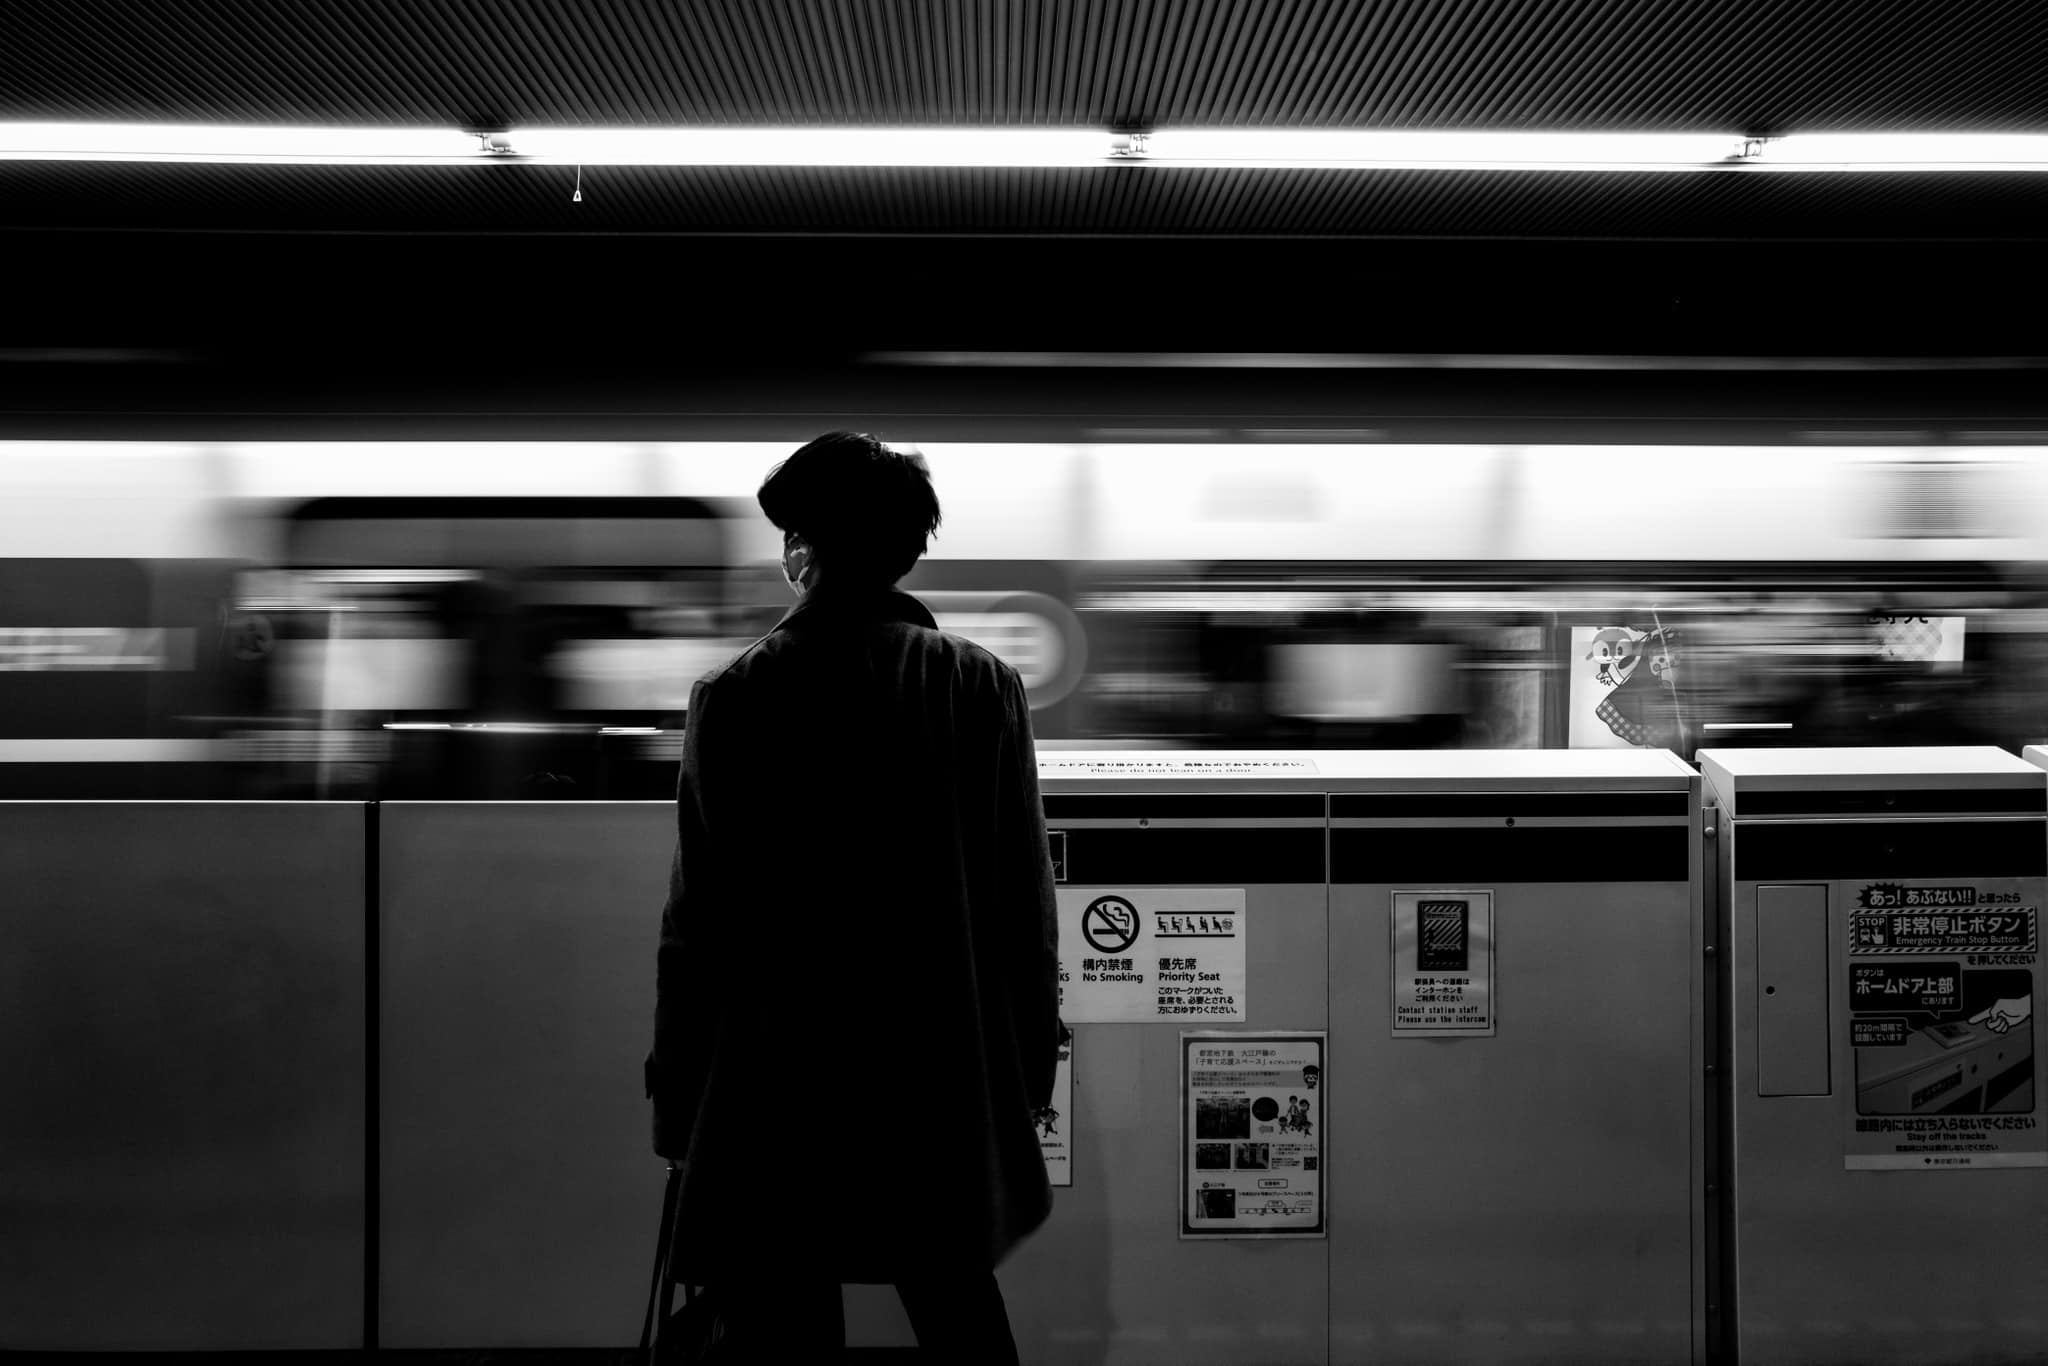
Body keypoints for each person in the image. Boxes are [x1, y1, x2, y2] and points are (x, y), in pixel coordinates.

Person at [648, 432, 1063, 1362]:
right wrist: (1026, 1072)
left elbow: (697, 927)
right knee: (958, 1304)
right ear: (911, 550)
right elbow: (1022, 913)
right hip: (937, 1075)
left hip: (775, 1085)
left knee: (783, 1319)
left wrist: (678, 1098)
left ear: (802, 548)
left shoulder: (736, 695)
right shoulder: (979, 686)